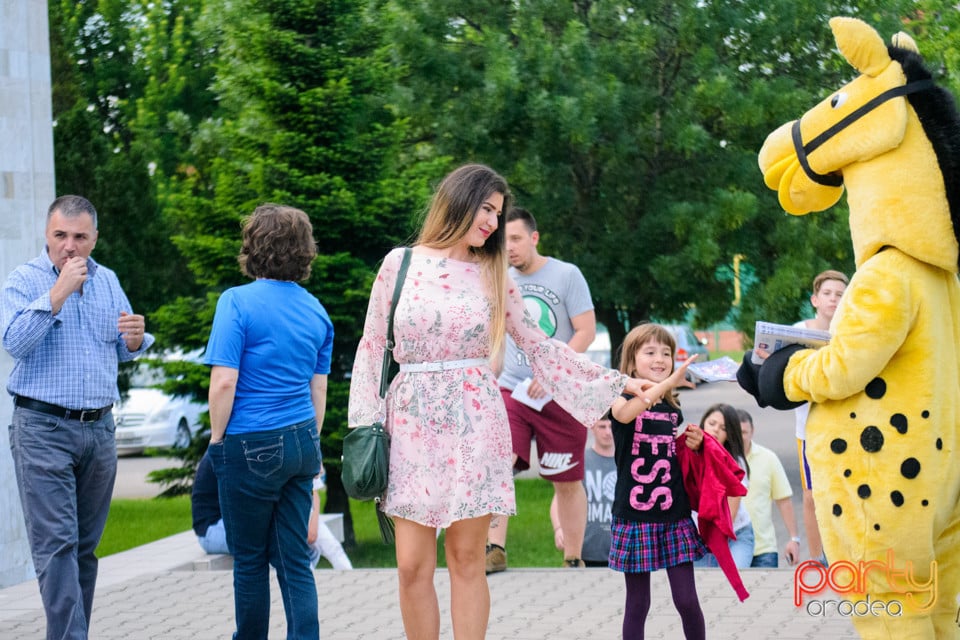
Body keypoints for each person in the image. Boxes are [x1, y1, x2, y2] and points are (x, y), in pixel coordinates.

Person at [348, 163, 652, 640]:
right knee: (411, 565)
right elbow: (370, 348)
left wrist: (612, 384)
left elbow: (539, 345)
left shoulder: (494, 272)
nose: (492, 222)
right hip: (409, 425)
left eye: (498, 212)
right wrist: (364, 426)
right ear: (458, 201)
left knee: (467, 559)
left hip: (474, 424)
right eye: (486, 209)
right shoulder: (399, 264)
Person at [2, 195, 154, 640]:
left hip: (99, 431)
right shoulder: (23, 280)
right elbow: (14, 342)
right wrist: (58, 294)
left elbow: (121, 347)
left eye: (79, 237)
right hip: (42, 430)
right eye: (60, 236)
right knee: (57, 547)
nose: (70, 246)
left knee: (84, 550)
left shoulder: (108, 281)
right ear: (47, 236)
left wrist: (136, 339)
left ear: (94, 239)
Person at [204, 204, 332, 640]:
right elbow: (319, 390)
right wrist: (310, 446)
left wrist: (217, 441)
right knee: (295, 559)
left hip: (250, 443)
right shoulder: (317, 311)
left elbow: (223, 382)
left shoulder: (236, 302)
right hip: (301, 441)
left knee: (251, 560)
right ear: (304, 251)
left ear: (252, 247)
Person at [486, 206, 598, 572]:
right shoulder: (500, 278)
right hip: (513, 389)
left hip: (560, 392)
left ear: (534, 238)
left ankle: (573, 557)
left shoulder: (567, 275)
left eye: (516, 239)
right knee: (498, 463)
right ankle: (494, 548)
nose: (510, 247)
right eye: (503, 241)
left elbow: (585, 331)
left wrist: (553, 371)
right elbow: (499, 334)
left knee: (566, 479)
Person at [608, 323, 704, 640]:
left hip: (674, 515)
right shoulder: (618, 397)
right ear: (632, 362)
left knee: (688, 601)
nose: (660, 359)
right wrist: (664, 387)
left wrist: (695, 443)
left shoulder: (671, 407)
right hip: (634, 517)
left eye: (666, 353)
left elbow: (674, 455)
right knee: (638, 604)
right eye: (650, 352)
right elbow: (624, 416)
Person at [793, 269, 847, 563]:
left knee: (845, 494)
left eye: (840, 294)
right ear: (815, 299)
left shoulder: (851, 331)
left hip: (846, 427)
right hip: (809, 429)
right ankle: (817, 559)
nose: (833, 299)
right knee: (812, 496)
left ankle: (846, 555)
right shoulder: (798, 330)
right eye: (827, 293)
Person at [549, 416, 616, 566]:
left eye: (611, 427)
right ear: (592, 427)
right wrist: (559, 528)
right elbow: (560, 498)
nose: (608, 432)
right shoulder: (582, 459)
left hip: (620, 550)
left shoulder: (624, 460)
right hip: (586, 550)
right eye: (602, 427)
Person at [737, 409, 800, 568]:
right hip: (732, 548)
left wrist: (794, 539)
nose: (740, 437)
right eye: (736, 432)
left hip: (764, 549)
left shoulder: (768, 458)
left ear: (752, 432)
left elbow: (783, 500)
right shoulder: (718, 458)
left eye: (744, 432)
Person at [695, 404, 755, 569]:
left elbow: (730, 514)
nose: (715, 430)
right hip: (698, 537)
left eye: (723, 428)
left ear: (729, 435)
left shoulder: (735, 463)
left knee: (731, 581)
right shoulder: (690, 456)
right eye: (712, 423)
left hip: (735, 534)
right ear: (703, 424)